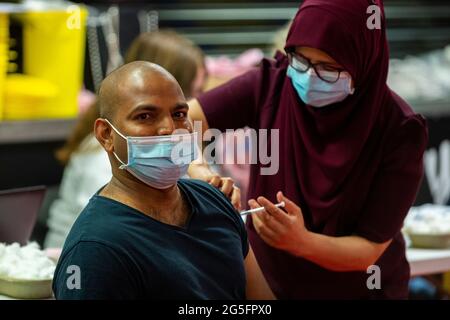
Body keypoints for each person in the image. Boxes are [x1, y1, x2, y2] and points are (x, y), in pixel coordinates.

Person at [187, 0, 428, 299]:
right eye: (300, 60)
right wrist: (199, 169)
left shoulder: (399, 131)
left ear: (364, 64)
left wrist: (301, 242)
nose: (310, 77)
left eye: (329, 68)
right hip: (267, 289)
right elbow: (183, 120)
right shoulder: (270, 83)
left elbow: (368, 248)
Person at [53, 61, 273, 300]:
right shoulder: (96, 250)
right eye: (145, 116)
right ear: (106, 135)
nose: (170, 128)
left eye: (179, 114)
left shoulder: (215, 200)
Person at [45, 30, 241, 249]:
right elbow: (126, 230)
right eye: (191, 93)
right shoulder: (108, 157)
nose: (168, 127)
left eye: (179, 112)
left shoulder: (184, 145)